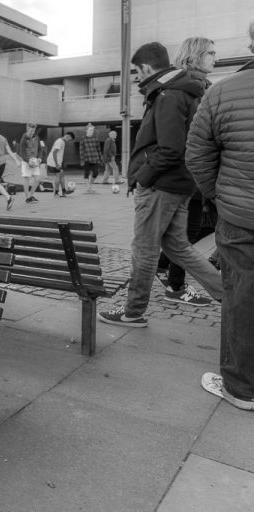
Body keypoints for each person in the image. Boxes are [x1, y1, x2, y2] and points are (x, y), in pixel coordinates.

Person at [97, 41, 222, 328]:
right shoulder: (182, 91)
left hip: (161, 186)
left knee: (144, 249)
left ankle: (132, 311)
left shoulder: (168, 94)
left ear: (145, 67)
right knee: (179, 247)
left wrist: (143, 176)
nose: (137, 77)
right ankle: (228, 295)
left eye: (136, 71)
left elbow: (170, 148)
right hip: (178, 185)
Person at [187, 20, 254, 411]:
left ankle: (241, 389)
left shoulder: (224, 91)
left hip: (240, 214)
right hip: (239, 209)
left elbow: (197, 155)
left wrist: (218, 195)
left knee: (242, 297)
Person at [156, 36, 218, 306]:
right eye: (211, 53)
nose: (216, 58)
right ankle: (176, 286)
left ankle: (163, 267)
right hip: (192, 173)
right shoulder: (194, 87)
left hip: (190, 173)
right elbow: (196, 135)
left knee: (201, 226)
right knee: (191, 231)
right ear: (194, 56)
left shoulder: (195, 84)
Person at [17, 123, 41, 203]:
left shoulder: (37, 137)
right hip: (26, 161)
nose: (32, 132)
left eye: (33, 130)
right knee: (27, 179)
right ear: (27, 129)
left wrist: (40, 158)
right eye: (30, 130)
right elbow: (22, 152)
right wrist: (28, 161)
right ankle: (27, 198)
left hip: (35, 161)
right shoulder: (24, 139)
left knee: (37, 179)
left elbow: (40, 149)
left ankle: (31, 195)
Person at [47, 132, 75, 197]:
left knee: (62, 175)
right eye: (70, 139)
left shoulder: (62, 142)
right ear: (68, 136)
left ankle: (64, 191)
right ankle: (56, 193)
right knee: (58, 175)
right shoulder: (60, 142)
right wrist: (56, 164)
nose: (69, 141)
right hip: (53, 162)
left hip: (56, 162)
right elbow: (54, 152)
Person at [79, 123, 102, 193]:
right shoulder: (83, 139)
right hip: (86, 158)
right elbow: (81, 150)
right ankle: (89, 188)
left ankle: (89, 186)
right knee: (86, 173)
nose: (91, 131)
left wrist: (101, 158)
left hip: (95, 158)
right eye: (90, 130)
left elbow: (99, 149)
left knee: (96, 172)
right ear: (86, 130)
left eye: (92, 130)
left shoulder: (95, 138)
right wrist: (82, 159)